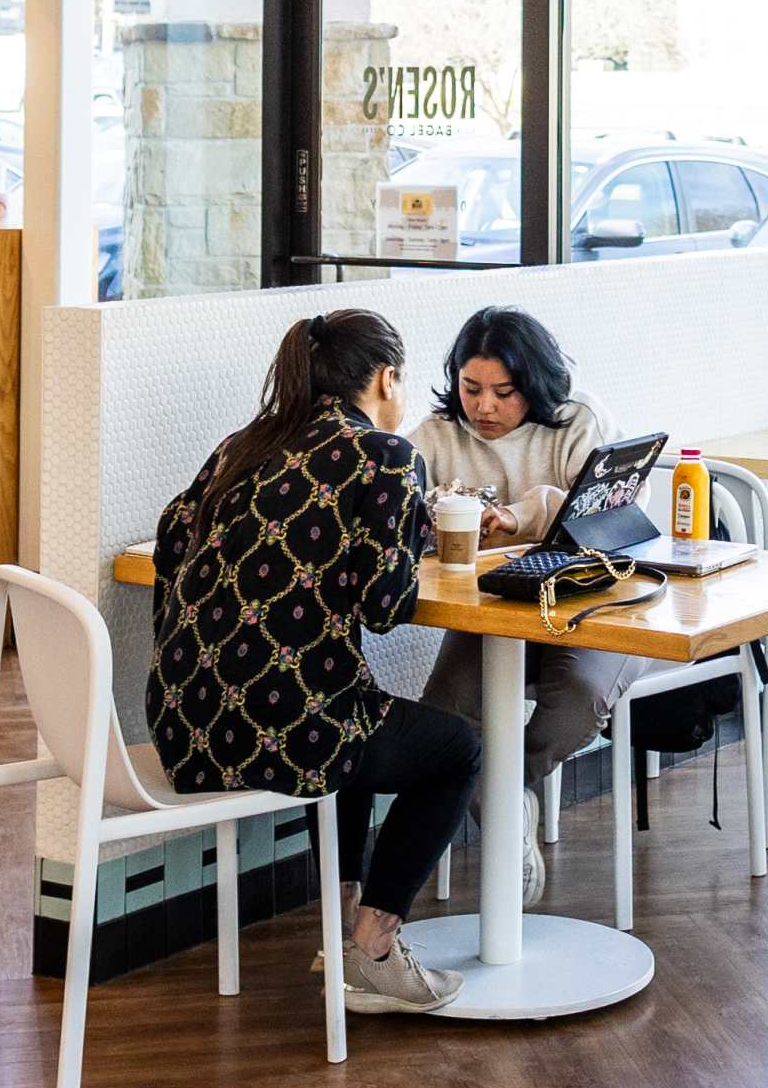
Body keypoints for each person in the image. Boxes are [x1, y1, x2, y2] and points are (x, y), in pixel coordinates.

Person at [146, 308, 474, 1013]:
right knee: (456, 748)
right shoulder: (386, 456)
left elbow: (170, 544)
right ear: (388, 379)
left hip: (181, 726)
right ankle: (376, 947)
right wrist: (410, 526)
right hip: (286, 734)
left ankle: (342, 926)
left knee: (355, 709)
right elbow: (385, 610)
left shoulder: (243, 444)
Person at [412, 306, 625, 902]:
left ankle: (507, 798)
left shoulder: (576, 423)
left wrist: (521, 513)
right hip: (491, 615)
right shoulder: (436, 434)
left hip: (588, 604)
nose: (483, 408)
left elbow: (601, 521)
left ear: (533, 385)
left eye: (504, 393)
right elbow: (390, 498)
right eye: (470, 388)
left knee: (577, 701)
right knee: (443, 721)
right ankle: (511, 812)